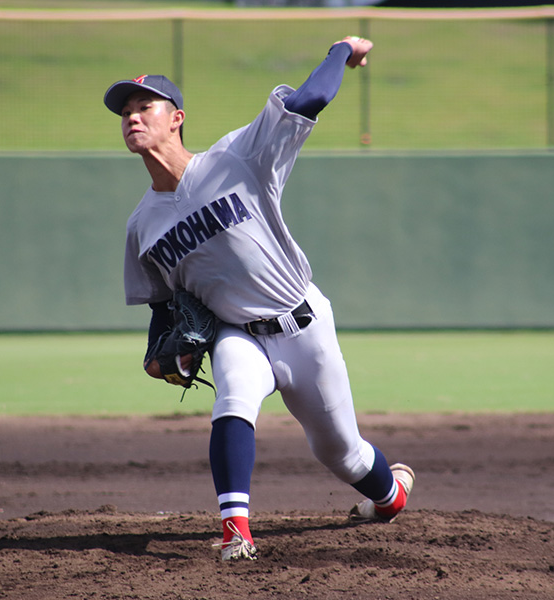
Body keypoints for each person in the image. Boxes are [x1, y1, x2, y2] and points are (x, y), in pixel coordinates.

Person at [103, 36, 415, 562]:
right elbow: (162, 304)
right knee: (233, 401)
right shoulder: (142, 225)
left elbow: (306, 103)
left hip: (303, 325)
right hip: (236, 333)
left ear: (176, 117)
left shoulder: (236, 157)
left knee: (342, 453)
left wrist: (342, 50)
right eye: (125, 112)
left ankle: (391, 496)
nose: (133, 117)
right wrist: (160, 354)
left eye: (144, 107)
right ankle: (236, 532)